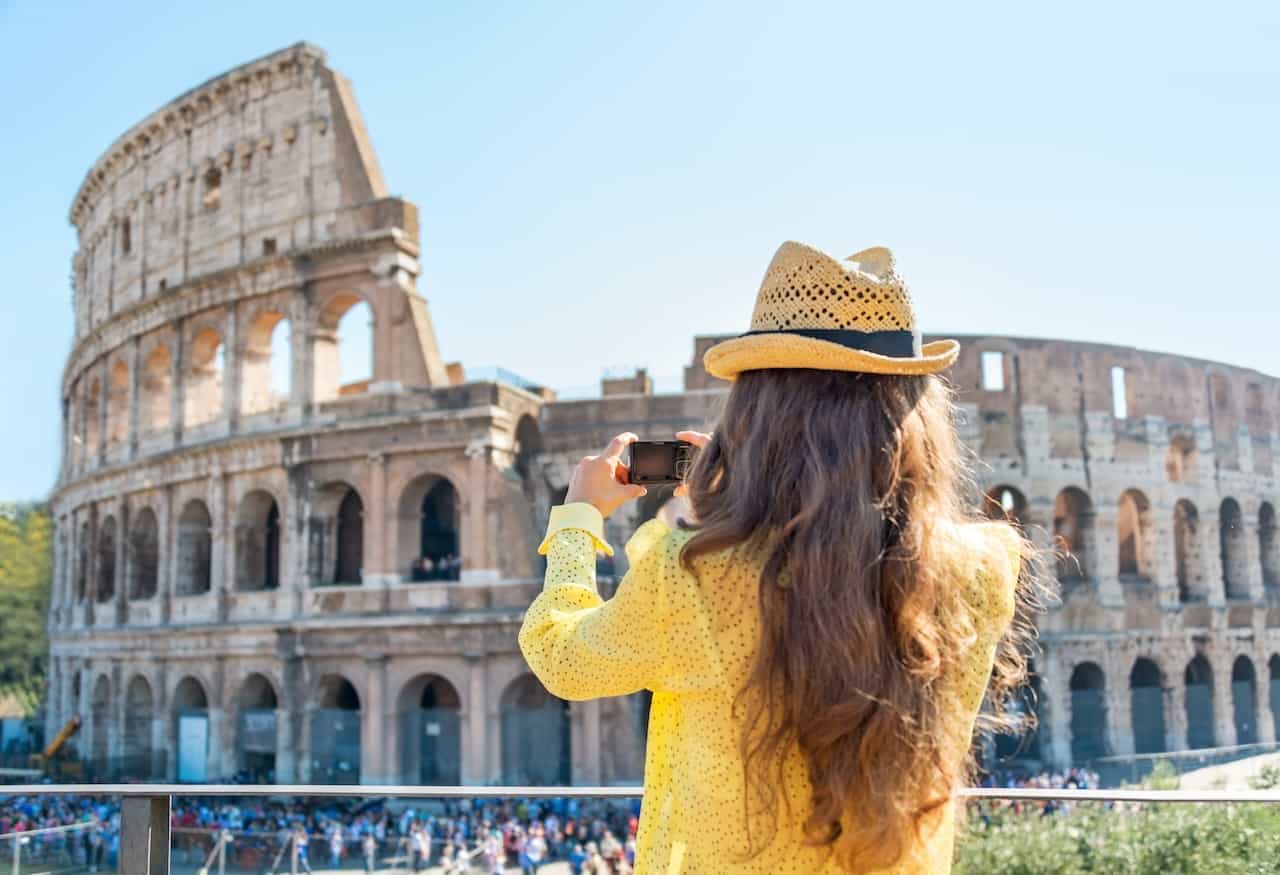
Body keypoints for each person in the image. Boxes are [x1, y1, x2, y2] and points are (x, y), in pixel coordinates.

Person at [519, 242, 1038, 872]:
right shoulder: (980, 570)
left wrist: (578, 520)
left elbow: (561, 655)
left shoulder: (699, 576)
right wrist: (736, 508)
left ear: (760, 414)